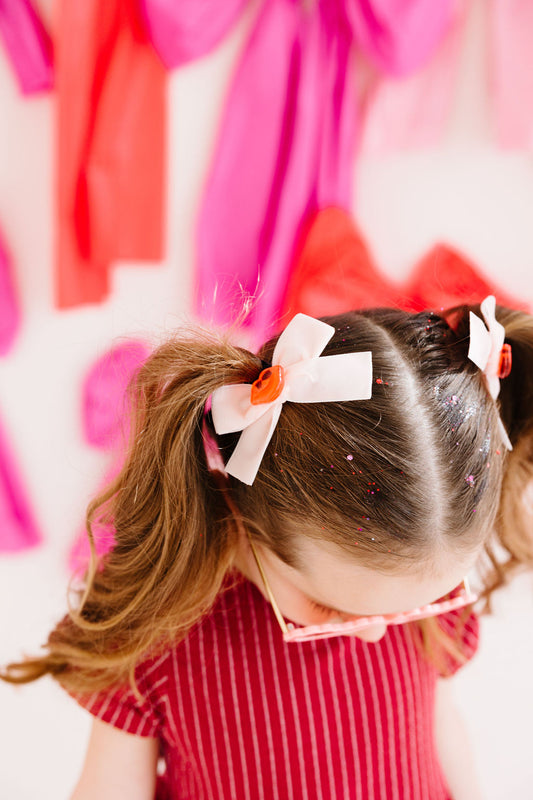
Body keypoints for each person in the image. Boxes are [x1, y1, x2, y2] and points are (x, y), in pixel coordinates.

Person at [2, 297, 533, 800]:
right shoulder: (158, 633)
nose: (376, 631)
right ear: (245, 516)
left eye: (419, 607)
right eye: (331, 610)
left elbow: (442, 736)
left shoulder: (398, 597)